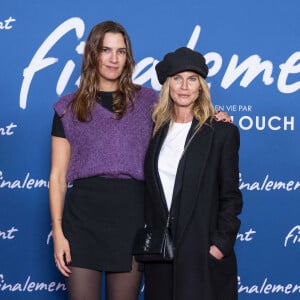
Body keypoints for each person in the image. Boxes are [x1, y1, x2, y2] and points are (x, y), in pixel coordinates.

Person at [49, 20, 231, 300]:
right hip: (82, 220)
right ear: (92, 54)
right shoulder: (68, 107)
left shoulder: (148, 102)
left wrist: (215, 116)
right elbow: (58, 177)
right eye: (106, 50)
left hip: (133, 220)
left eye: (121, 51)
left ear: (128, 57)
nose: (113, 58)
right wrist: (58, 233)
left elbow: (185, 108)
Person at [142, 47, 243, 300]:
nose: (184, 86)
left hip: (201, 256)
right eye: (177, 78)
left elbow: (230, 196)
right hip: (161, 257)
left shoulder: (220, 132)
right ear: (168, 85)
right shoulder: (155, 131)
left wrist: (219, 247)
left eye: (192, 79)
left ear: (201, 87)